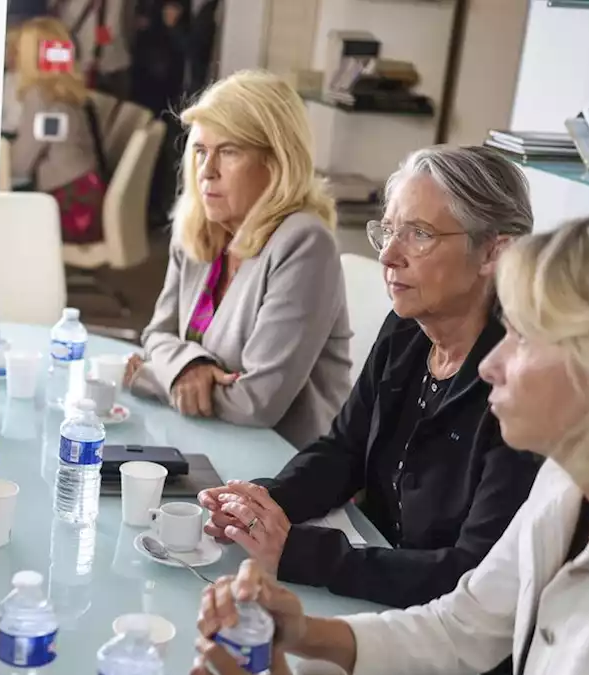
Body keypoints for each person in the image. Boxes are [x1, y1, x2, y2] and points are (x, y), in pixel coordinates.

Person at [188, 213, 589, 675]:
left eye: (524, 337)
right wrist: (302, 630)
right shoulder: (566, 484)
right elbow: (463, 624)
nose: (491, 363)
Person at [197, 146, 543, 607]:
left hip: (449, 630)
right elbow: (344, 449)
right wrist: (263, 504)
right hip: (373, 588)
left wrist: (298, 551)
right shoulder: (407, 329)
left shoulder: (522, 382)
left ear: (494, 252)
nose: (389, 256)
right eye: (390, 231)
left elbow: (472, 574)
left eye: (419, 234)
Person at [122, 70, 350, 448]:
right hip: (209, 441)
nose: (207, 171)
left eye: (228, 152)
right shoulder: (200, 229)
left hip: (283, 465)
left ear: (276, 162)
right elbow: (157, 335)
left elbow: (257, 404)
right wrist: (189, 367)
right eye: (200, 151)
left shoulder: (305, 244)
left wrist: (151, 376)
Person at [8, 16, 108, 243]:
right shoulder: (65, 93)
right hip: (86, 198)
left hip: (68, 207)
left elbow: (22, 163)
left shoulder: (41, 97)